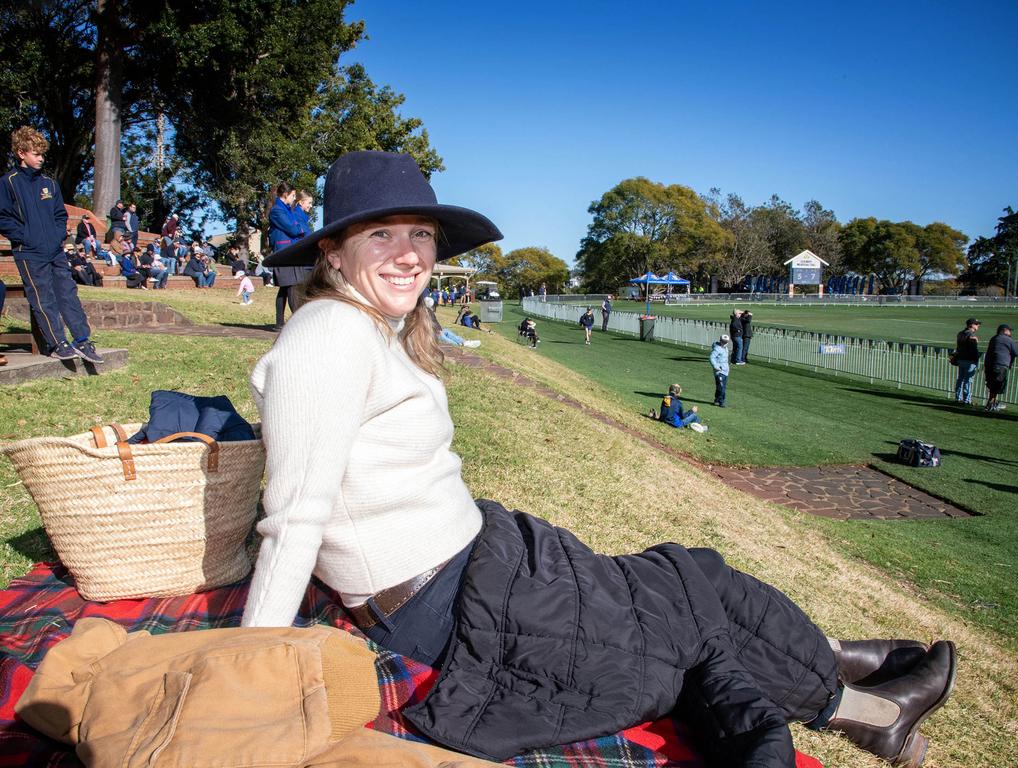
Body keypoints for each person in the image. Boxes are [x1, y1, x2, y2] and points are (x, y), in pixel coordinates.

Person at [244, 151, 955, 768]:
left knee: (691, 575)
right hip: (448, 607)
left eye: (421, 235)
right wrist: (247, 671)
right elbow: (295, 516)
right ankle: (863, 707)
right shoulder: (328, 335)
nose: (410, 254)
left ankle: (842, 664)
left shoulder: (378, 326)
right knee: (676, 618)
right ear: (334, 250)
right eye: (383, 234)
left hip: (481, 561)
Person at [0, 127, 104, 363]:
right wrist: (25, 237)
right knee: (43, 297)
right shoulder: (8, 183)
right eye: (36, 154)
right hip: (29, 252)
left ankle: (82, 339)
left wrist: (57, 236)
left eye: (42, 154)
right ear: (21, 153)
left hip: (55, 251)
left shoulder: (49, 183)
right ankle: (58, 342)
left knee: (68, 294)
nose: (41, 159)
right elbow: (3, 218)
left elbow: (60, 214)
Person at [268, 181, 308, 330]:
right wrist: (299, 229)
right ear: (286, 194)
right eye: (292, 195)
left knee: (285, 288)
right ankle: (297, 321)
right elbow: (293, 228)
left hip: (289, 251)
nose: (293, 198)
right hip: (283, 252)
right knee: (290, 285)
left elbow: (295, 225)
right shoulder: (277, 210)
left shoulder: (287, 210)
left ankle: (280, 323)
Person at [983, 323, 1018, 412]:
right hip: (1001, 365)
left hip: (990, 365)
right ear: (1004, 330)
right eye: (1009, 330)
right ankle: (991, 405)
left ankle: (991, 404)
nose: (1010, 332)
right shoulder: (1008, 340)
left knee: (993, 386)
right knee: (997, 385)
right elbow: (1017, 353)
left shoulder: (994, 338)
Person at [953, 318, 981, 404]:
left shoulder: (960, 334)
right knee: (968, 380)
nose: (978, 326)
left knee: (960, 379)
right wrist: (976, 358)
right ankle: (966, 400)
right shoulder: (971, 335)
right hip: (969, 360)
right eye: (976, 324)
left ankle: (958, 398)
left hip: (961, 359)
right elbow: (973, 350)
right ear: (971, 325)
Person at [711, 333, 730, 407]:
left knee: (721, 386)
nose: (724, 343)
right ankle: (722, 401)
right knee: (721, 387)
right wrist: (716, 366)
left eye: (726, 342)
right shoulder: (717, 349)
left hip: (725, 371)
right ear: (720, 341)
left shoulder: (726, 349)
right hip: (719, 371)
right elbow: (712, 357)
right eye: (723, 341)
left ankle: (717, 400)